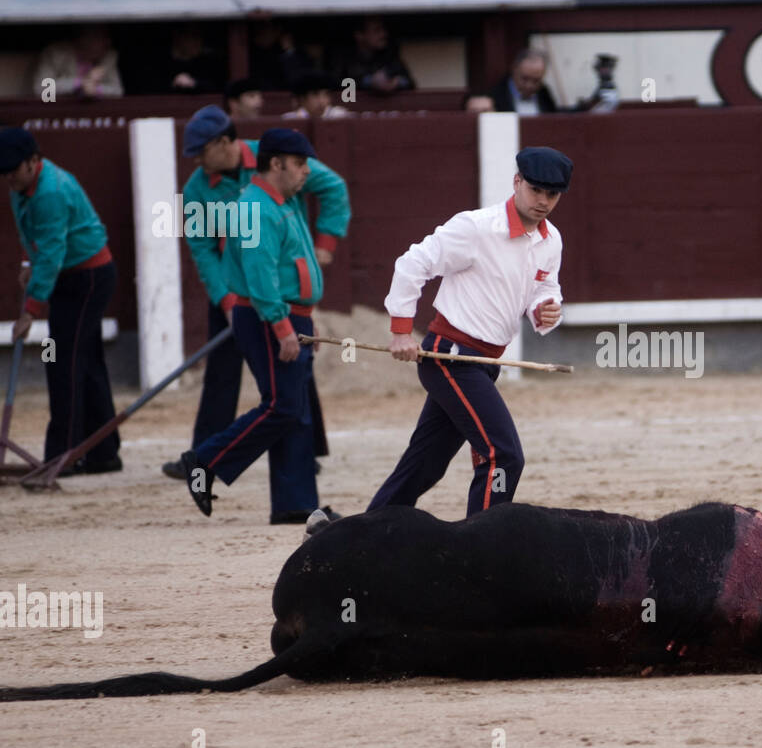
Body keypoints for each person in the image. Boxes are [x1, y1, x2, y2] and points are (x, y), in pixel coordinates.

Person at [367, 146, 570, 516]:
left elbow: (543, 286)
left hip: (484, 363)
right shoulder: (476, 228)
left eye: (552, 194)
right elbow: (412, 264)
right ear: (517, 182)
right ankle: (483, 543)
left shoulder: (550, 239)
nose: (543, 201)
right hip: (450, 357)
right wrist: (400, 331)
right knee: (503, 455)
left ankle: (360, 535)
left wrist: (545, 308)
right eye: (536, 190)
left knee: (424, 463)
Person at [162, 105, 349, 482]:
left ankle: (303, 455)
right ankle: (201, 457)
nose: (198, 161)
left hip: (277, 290)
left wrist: (326, 240)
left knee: (294, 376)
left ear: (225, 142)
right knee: (223, 374)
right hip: (236, 291)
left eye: (202, 151)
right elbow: (201, 248)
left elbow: (333, 187)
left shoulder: (276, 162)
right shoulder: (198, 188)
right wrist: (225, 300)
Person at [2, 127, 120, 475]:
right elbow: (33, 234)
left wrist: (30, 312)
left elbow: (52, 253)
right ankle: (103, 453)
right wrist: (27, 262)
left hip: (86, 278)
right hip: (74, 275)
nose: (8, 177)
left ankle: (63, 455)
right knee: (85, 359)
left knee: (63, 359)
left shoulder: (50, 191)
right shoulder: (23, 185)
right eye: (4, 172)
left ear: (33, 161)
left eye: (13, 169)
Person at [31, 26, 123, 99]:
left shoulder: (109, 57)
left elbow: (117, 91)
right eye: (98, 36)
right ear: (83, 39)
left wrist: (97, 90)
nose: (107, 43)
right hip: (57, 112)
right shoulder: (55, 54)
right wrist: (80, 83)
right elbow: (42, 89)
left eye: (107, 38)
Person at [332, 17, 414, 96]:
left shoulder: (390, 56)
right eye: (377, 30)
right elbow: (335, 84)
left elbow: (410, 83)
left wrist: (396, 82)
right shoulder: (345, 59)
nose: (383, 34)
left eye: (383, 29)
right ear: (359, 35)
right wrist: (369, 82)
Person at [489, 49, 558, 114]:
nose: (529, 85)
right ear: (514, 69)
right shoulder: (497, 96)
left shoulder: (545, 96)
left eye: (536, 81)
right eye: (525, 79)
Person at [283, 71, 351, 119]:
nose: (322, 101)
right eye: (315, 95)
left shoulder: (340, 116)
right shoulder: (291, 119)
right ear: (302, 99)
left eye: (326, 94)